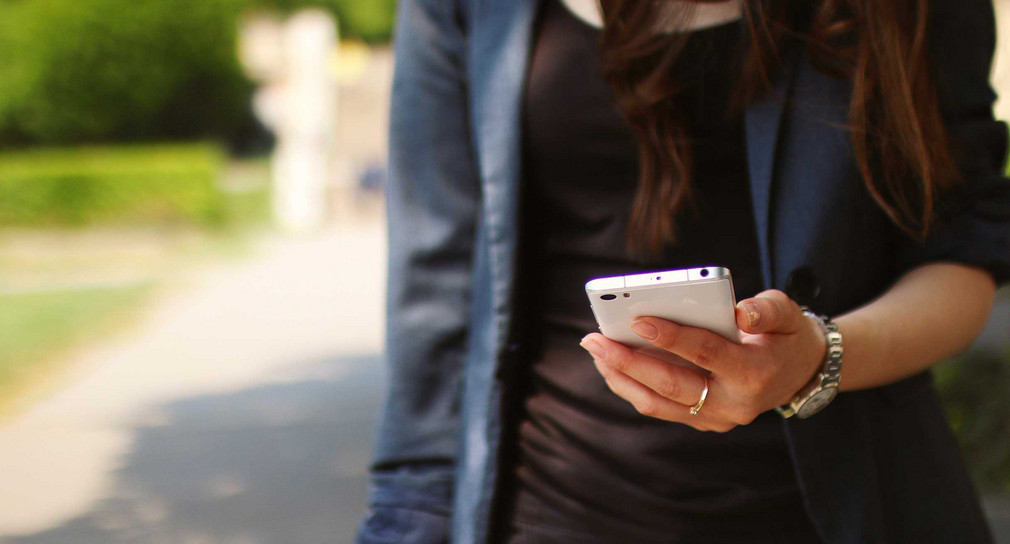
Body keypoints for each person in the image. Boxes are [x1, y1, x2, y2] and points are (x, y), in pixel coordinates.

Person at [357, 0, 1010, 542]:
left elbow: (962, 252)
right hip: (546, 511)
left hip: (855, 506)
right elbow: (435, 299)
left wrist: (819, 358)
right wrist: (404, 525)